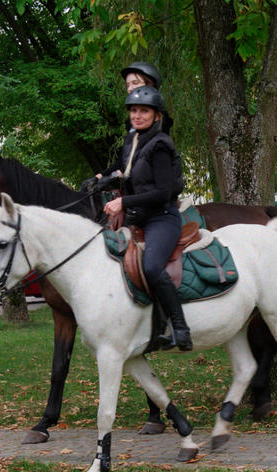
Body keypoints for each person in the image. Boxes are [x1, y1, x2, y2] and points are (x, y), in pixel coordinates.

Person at [103, 86, 192, 350]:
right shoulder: (133, 141)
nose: (137, 115)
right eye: (134, 110)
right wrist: (102, 180)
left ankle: (180, 329)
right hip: (137, 218)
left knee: (152, 267)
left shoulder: (160, 145)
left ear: (156, 116)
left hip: (161, 218)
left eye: (144, 111)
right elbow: (127, 174)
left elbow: (163, 192)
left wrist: (123, 202)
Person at [83, 61, 173, 190]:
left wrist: (116, 177)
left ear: (150, 85)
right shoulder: (132, 123)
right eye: (127, 85)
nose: (130, 88)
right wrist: (99, 176)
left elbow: (144, 163)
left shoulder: (160, 122)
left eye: (135, 83)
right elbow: (125, 160)